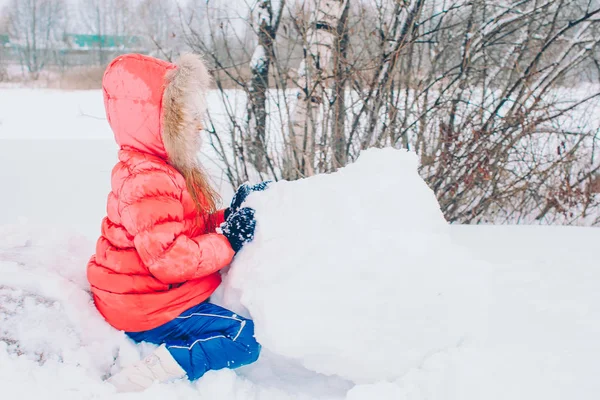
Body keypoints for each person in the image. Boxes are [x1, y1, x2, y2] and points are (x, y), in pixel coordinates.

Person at [86, 53, 268, 392]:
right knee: (246, 339)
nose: (199, 126)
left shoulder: (147, 168)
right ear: (158, 123)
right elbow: (170, 260)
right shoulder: (150, 180)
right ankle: (145, 376)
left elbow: (176, 227)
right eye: (186, 119)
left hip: (133, 295)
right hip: (145, 308)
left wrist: (225, 217)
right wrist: (229, 241)